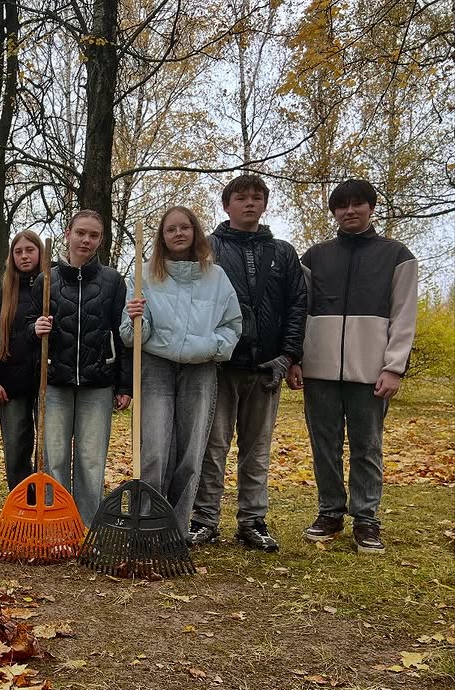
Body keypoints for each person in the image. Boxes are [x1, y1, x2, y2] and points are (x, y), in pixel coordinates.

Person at [293, 179, 418, 555]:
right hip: (319, 370)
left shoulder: (397, 255)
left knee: (367, 446)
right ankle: (330, 512)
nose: (350, 211)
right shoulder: (315, 256)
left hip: (371, 372)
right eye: (342, 205)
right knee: (324, 446)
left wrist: (394, 366)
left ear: (371, 207)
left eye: (357, 204)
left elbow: (404, 315)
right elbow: (300, 312)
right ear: (333, 211)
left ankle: (366, 519)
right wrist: (296, 358)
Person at [190, 174, 307, 553]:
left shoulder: (283, 253)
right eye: (241, 198)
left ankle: (252, 520)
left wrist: (289, 356)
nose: (250, 204)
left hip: (267, 367)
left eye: (257, 198)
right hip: (221, 365)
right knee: (213, 445)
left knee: (256, 448)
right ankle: (204, 519)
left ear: (265, 204)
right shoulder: (207, 248)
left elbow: (296, 307)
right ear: (227, 205)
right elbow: (195, 303)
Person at [119, 207, 242, 536]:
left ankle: (176, 527)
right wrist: (135, 318)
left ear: (195, 232)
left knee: (191, 452)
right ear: (161, 236)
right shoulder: (144, 275)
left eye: (184, 227)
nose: (178, 234)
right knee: (155, 449)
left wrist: (212, 347)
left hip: (200, 370)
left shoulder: (215, 277)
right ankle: (146, 522)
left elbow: (232, 325)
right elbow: (131, 337)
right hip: (156, 367)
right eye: (170, 229)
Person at [32, 210, 131, 525]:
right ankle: (57, 523)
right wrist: (36, 329)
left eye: (93, 235)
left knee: (90, 460)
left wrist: (124, 385)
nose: (86, 240)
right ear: (68, 234)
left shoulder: (112, 281)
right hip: (55, 382)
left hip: (98, 383)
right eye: (81, 233)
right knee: (54, 458)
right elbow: (26, 329)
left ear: (100, 240)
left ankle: (87, 525)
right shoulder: (45, 279)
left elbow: (121, 334)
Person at [0, 229, 43, 489]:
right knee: (16, 446)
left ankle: (48, 502)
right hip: (11, 383)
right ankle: (21, 502)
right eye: (18, 252)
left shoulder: (52, 289)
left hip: (46, 382)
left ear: (40, 253)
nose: (24, 256)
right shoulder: (1, 296)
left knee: (48, 449)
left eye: (29, 250)